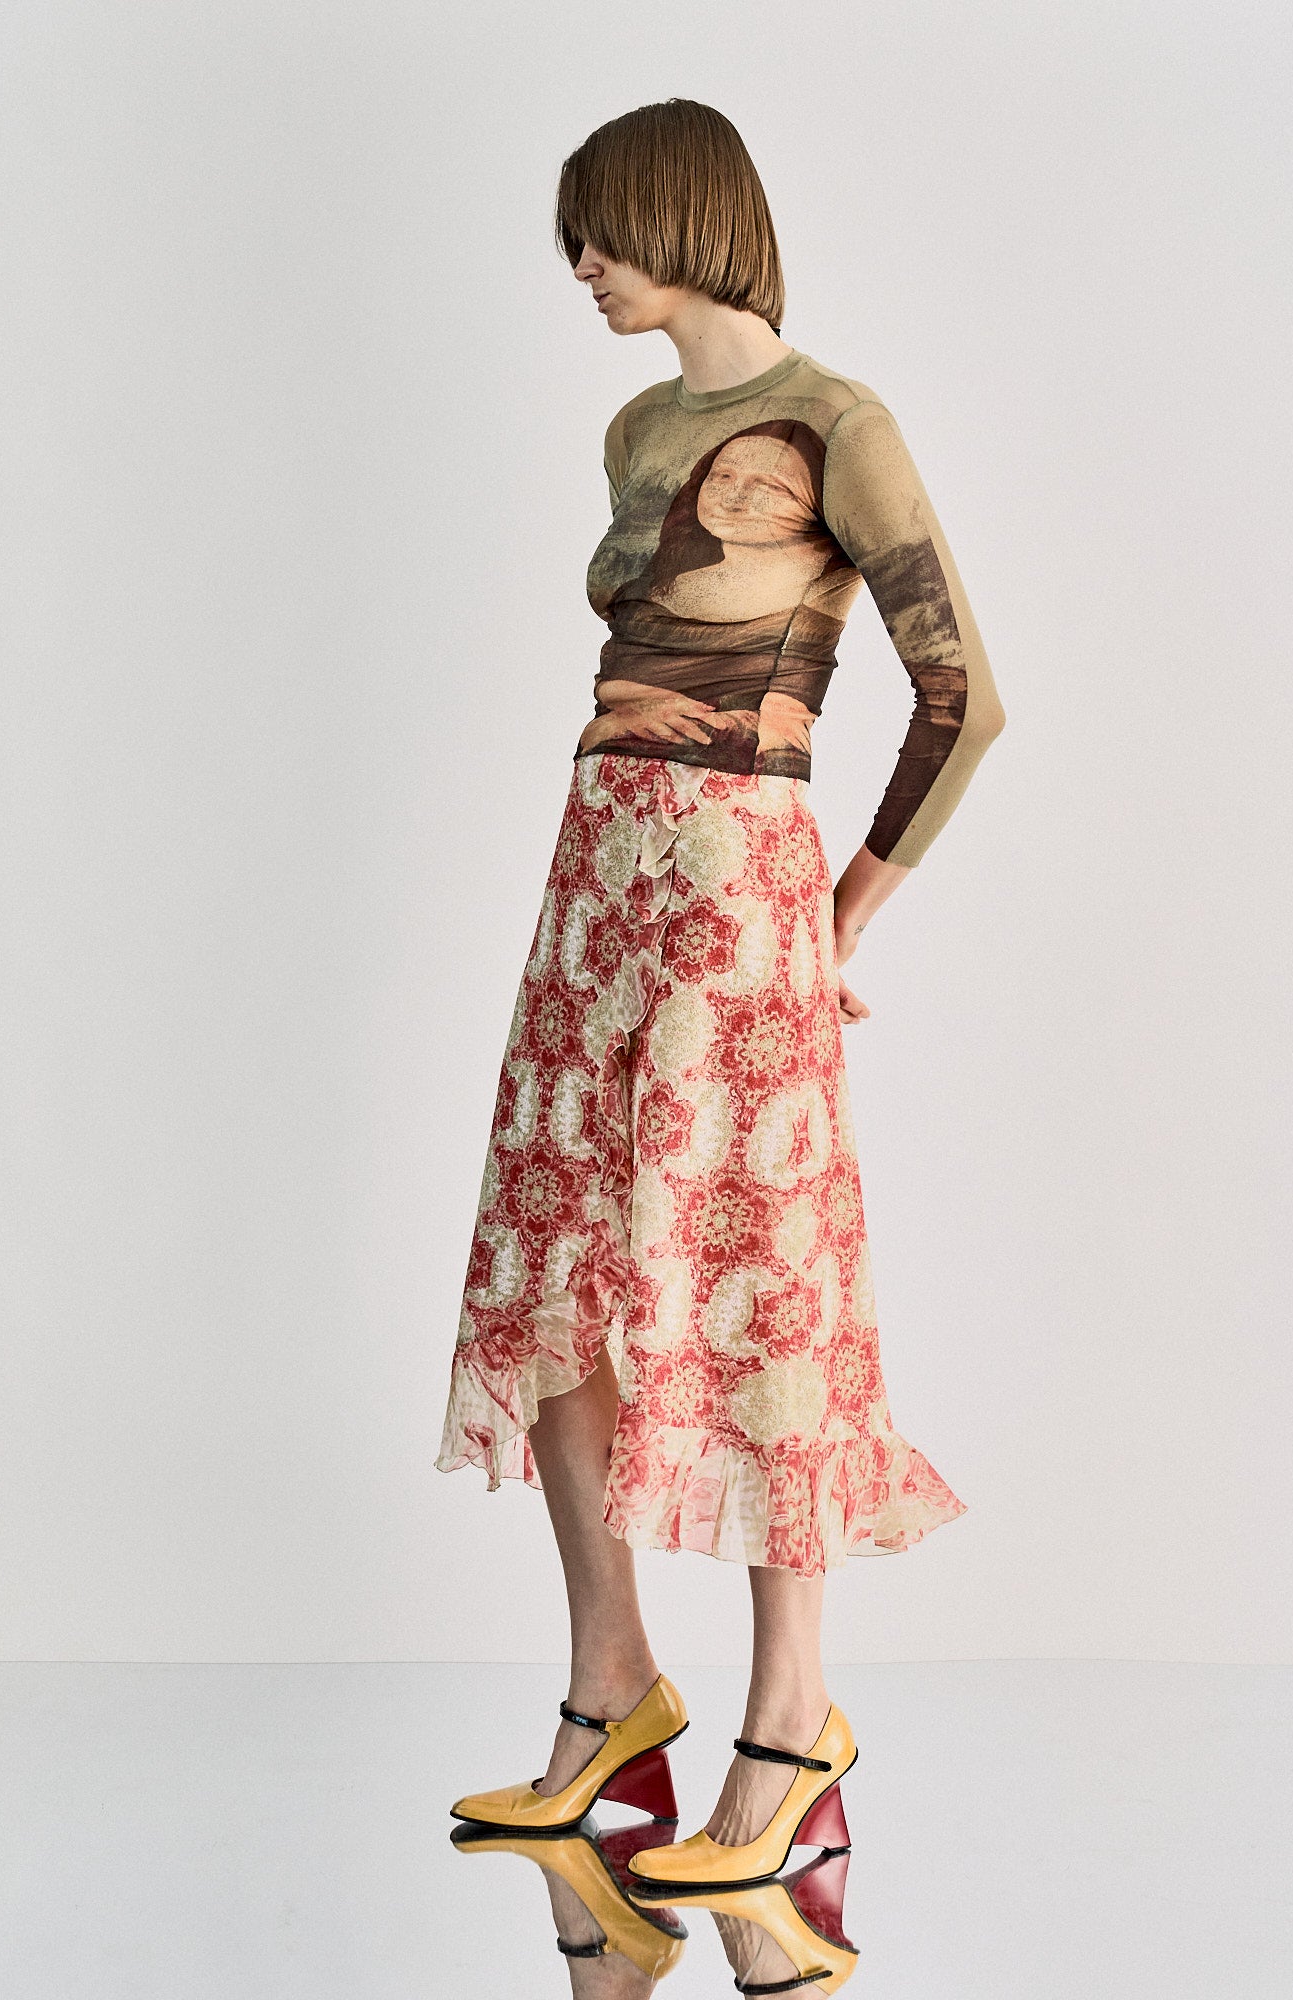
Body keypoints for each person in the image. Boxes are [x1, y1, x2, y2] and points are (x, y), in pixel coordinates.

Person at [434, 97, 1005, 1897]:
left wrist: (838, 919)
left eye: (599, 232)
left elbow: (964, 700)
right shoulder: (636, 428)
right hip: (597, 868)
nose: (583, 268)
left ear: (682, 215)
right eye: (573, 242)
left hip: (738, 881)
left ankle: (791, 1716)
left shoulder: (839, 425)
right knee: (551, 1258)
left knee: (761, 1280)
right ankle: (611, 1690)